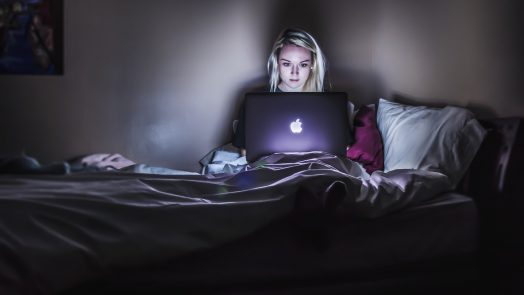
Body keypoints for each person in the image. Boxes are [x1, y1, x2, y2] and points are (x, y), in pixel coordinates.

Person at [232, 28, 331, 156]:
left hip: (316, 168)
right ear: (276, 63)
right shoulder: (256, 102)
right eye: (287, 64)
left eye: (303, 65)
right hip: (272, 170)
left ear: (313, 64)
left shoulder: (328, 102)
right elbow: (246, 152)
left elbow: (342, 147)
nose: (294, 72)